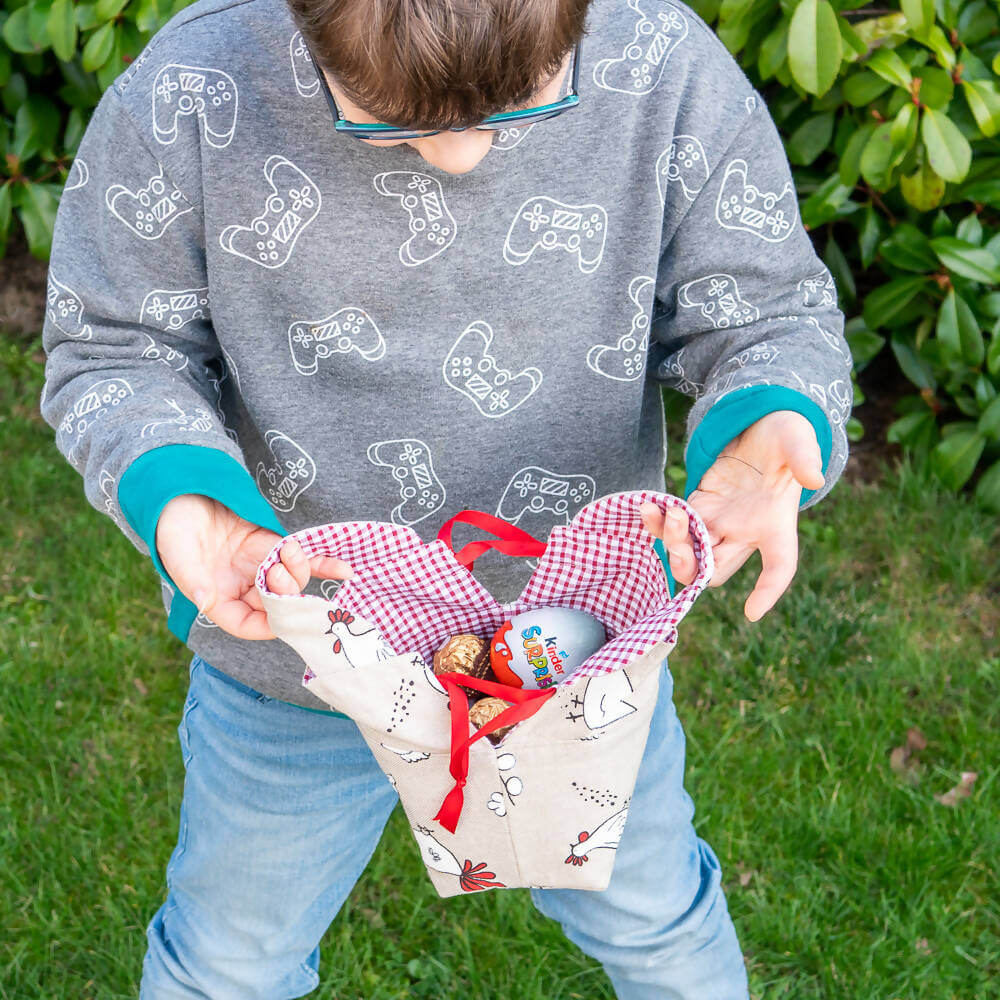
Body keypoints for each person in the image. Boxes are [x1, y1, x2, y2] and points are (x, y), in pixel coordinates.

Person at [40, 0, 852, 995]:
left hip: (576, 665)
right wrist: (178, 497)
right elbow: (116, 346)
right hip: (295, 651)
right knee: (228, 962)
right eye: (386, 117)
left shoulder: (662, 66)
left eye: (521, 108)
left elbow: (766, 308)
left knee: (656, 933)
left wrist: (773, 420)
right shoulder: (192, 94)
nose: (461, 156)